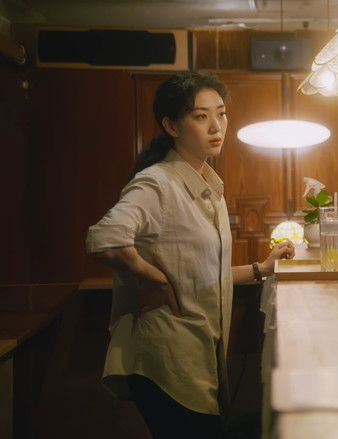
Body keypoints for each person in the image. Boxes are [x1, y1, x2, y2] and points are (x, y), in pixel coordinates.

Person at [86, 71, 294, 438]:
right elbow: (105, 237)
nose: (216, 126)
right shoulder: (157, 181)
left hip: (195, 359)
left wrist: (262, 268)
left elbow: (203, 273)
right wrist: (151, 276)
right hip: (165, 362)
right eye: (200, 116)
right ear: (172, 126)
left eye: (221, 113)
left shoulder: (206, 187)